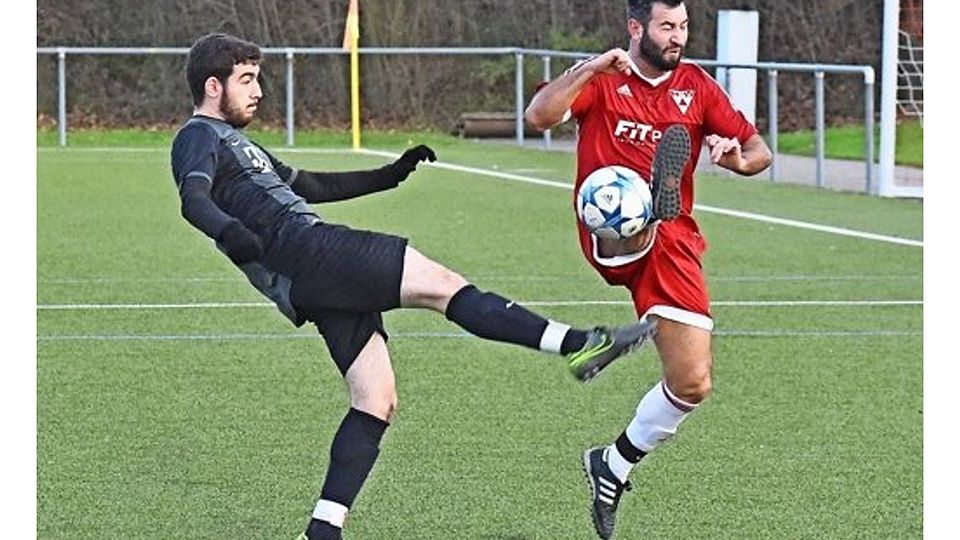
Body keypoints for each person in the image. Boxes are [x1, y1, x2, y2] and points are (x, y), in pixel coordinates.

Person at [170, 33, 655, 540]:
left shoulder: (239, 143)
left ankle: (322, 531)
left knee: (375, 399)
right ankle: (578, 344)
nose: (258, 91)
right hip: (310, 251)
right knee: (441, 285)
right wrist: (231, 233)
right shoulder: (197, 137)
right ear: (212, 86)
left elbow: (310, 185)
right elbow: (194, 198)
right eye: (246, 80)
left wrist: (390, 174)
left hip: (309, 277)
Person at [525, 1, 773, 538]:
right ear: (637, 28)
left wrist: (733, 158)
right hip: (608, 224)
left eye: (683, 26)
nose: (677, 36)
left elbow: (760, 152)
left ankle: (611, 465)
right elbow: (538, 116)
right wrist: (590, 67)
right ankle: (643, 214)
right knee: (627, 208)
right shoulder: (603, 78)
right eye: (667, 26)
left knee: (693, 382)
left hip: (676, 241)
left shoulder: (696, 86)